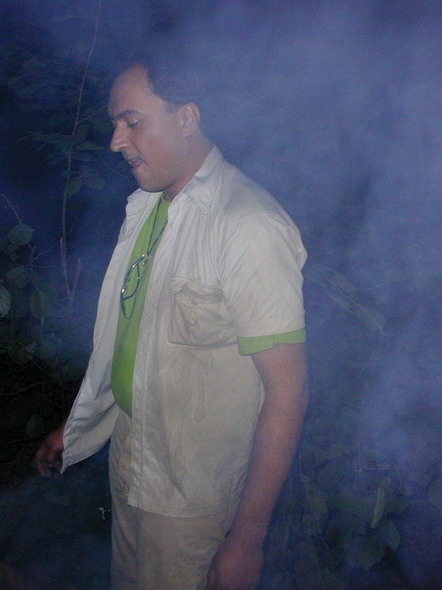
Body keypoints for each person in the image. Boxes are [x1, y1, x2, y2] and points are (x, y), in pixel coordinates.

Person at [35, 56, 309, 590]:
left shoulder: (248, 225)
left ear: (187, 118)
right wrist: (80, 426)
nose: (116, 141)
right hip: (132, 459)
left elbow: (288, 394)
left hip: (193, 499)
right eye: (115, 123)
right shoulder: (148, 207)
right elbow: (134, 348)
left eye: (132, 122)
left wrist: (247, 539)